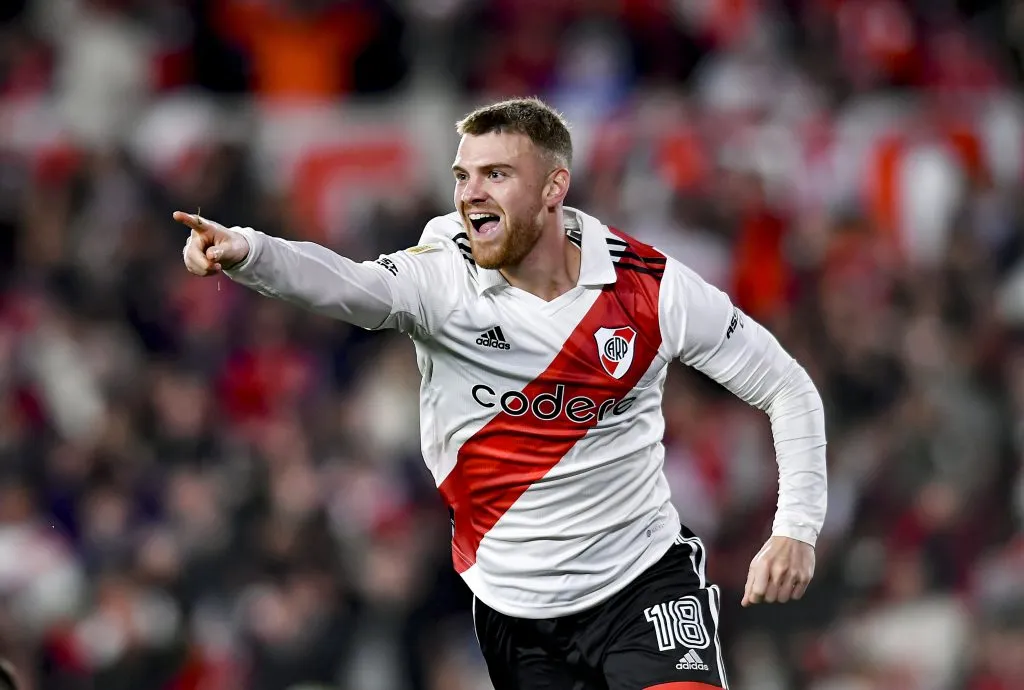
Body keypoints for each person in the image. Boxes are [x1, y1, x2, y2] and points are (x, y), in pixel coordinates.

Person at [175, 97, 827, 690]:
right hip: (519, 609)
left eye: (495, 175)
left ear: (553, 188)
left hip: (643, 583)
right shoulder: (443, 277)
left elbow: (786, 385)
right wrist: (249, 252)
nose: (470, 194)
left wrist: (796, 525)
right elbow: (349, 286)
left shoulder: (648, 287)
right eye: (463, 176)